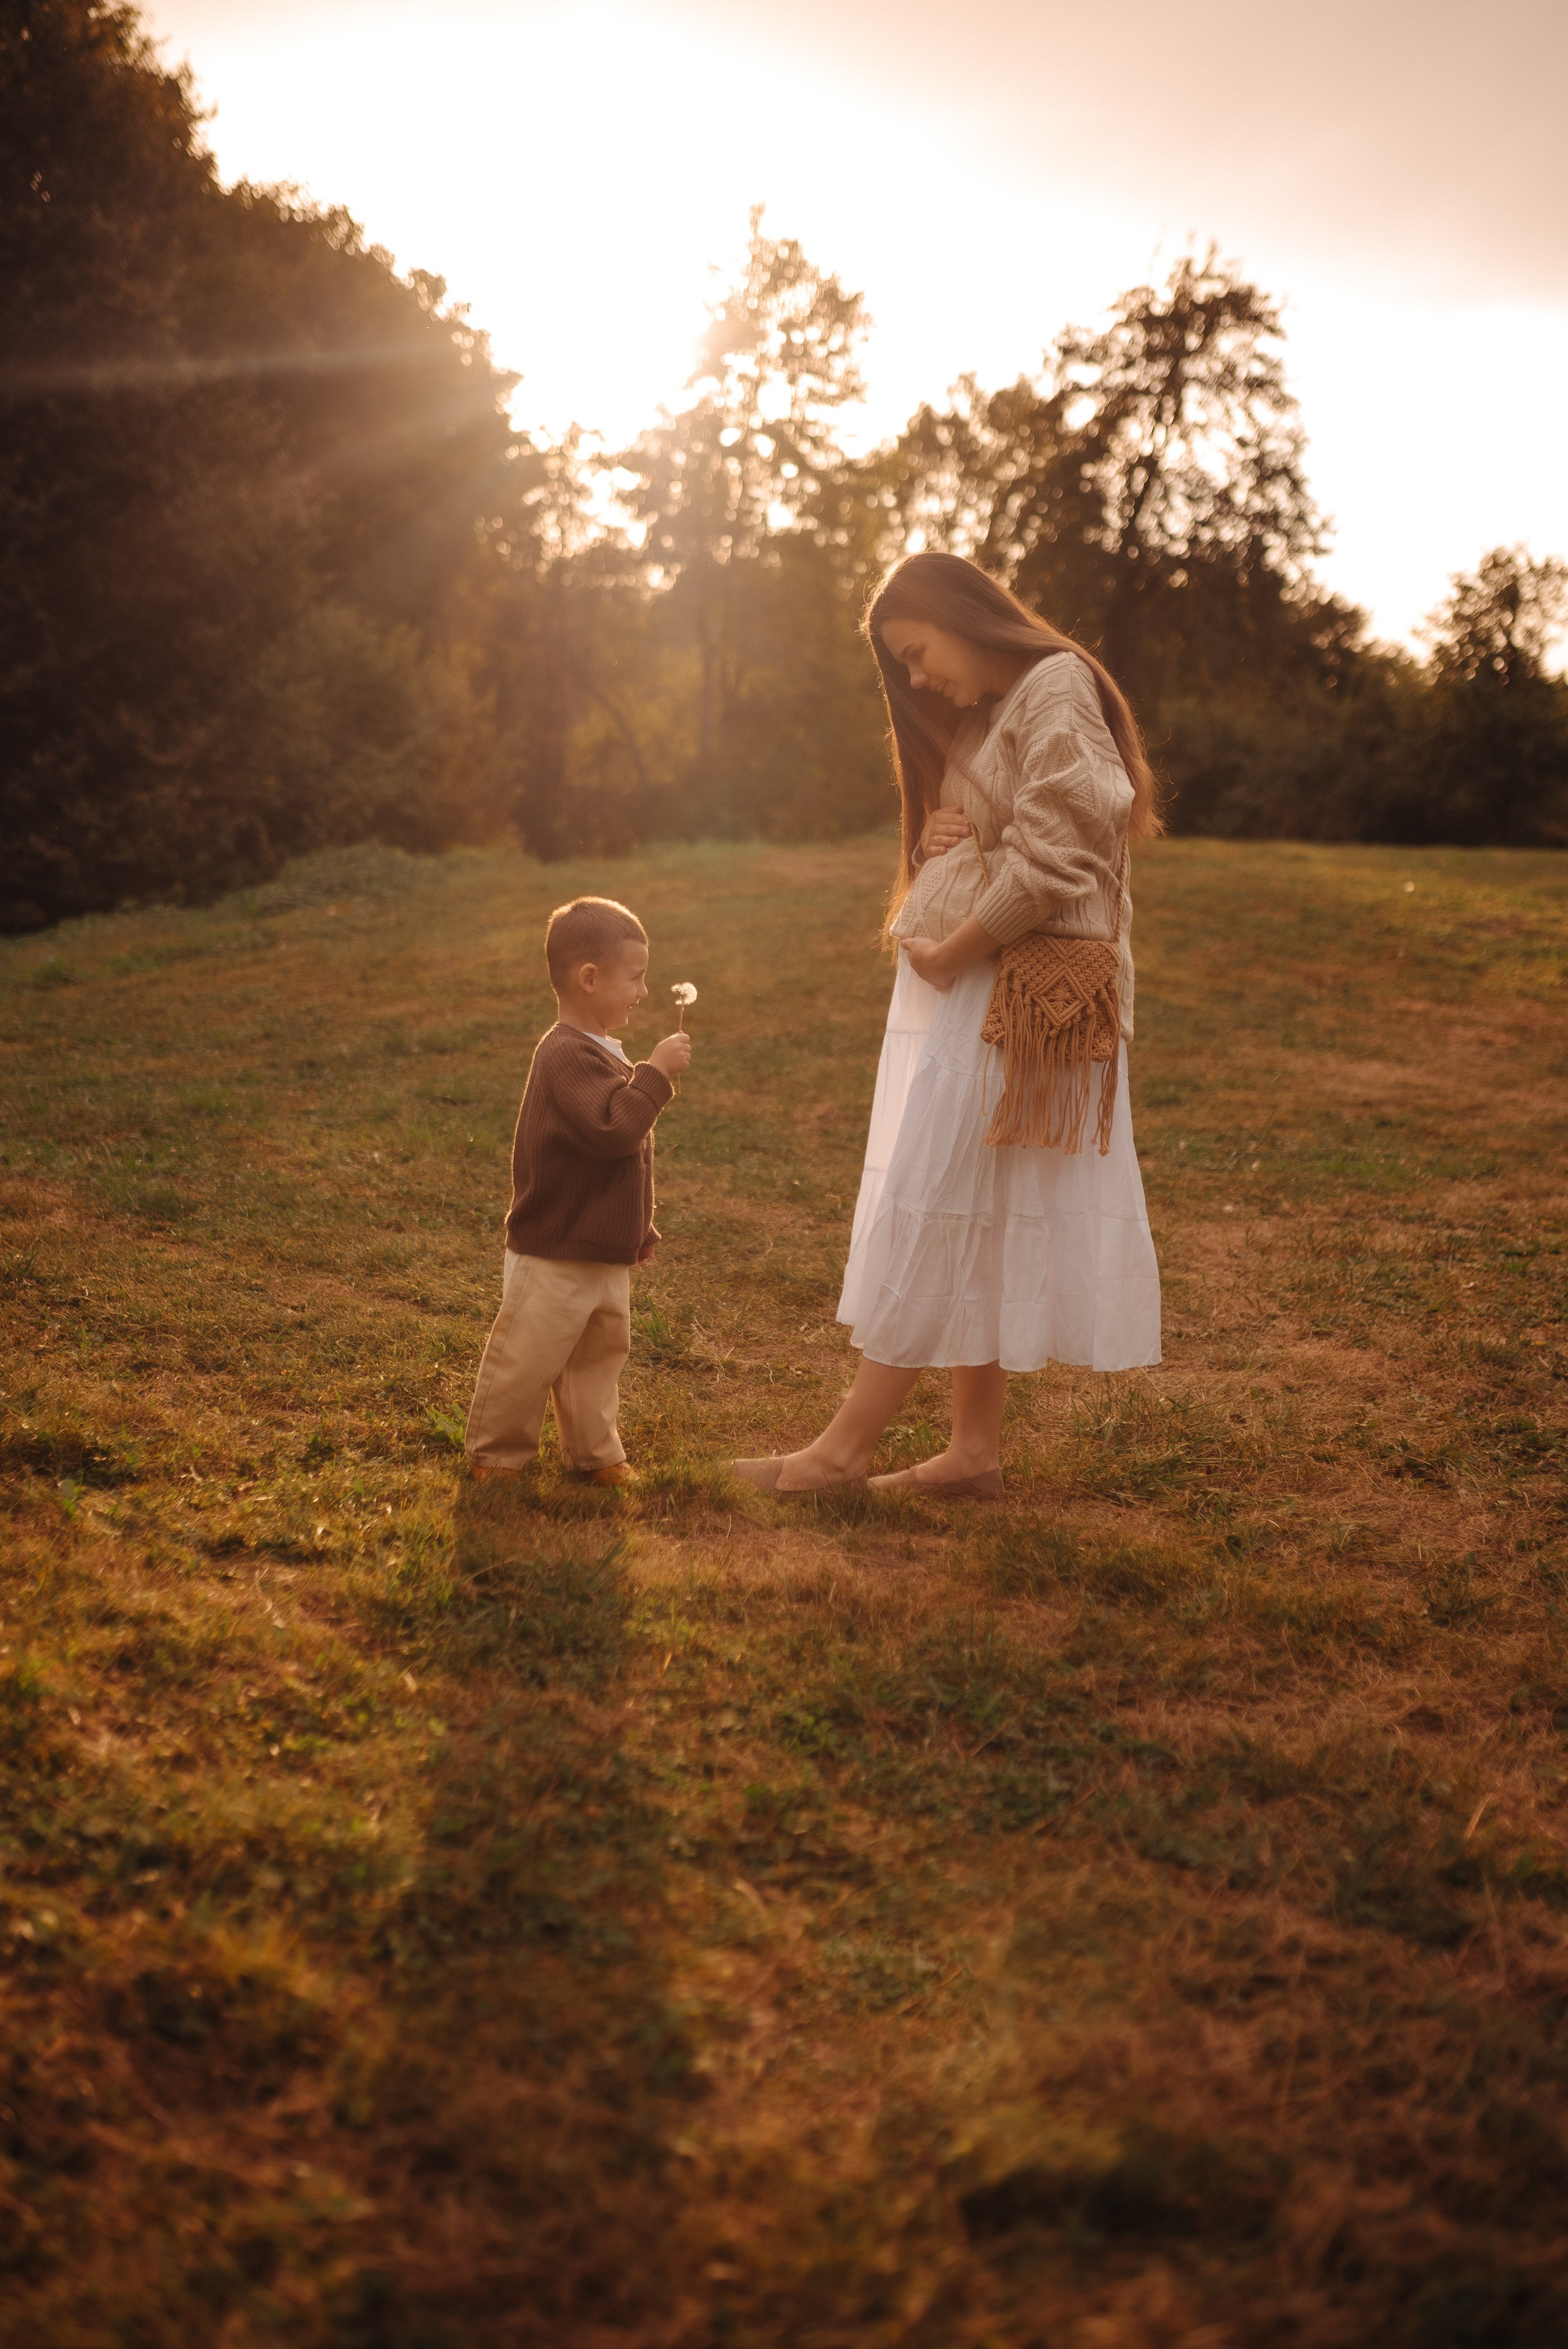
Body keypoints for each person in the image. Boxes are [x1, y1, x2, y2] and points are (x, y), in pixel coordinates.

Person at [734, 551, 1162, 1500]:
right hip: (997, 980)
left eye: (919, 652)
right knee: (980, 1203)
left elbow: (1065, 848)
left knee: (937, 1194)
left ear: (965, 617)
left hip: (1016, 986)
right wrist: (944, 832)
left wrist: (953, 946)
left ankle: (843, 1451)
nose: (919, 678)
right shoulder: (995, 711)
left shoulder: (1055, 685)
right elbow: (1007, 827)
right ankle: (973, 1453)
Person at [464, 895, 692, 1486]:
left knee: (598, 1360)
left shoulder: (604, 1052)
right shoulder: (565, 1054)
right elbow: (614, 1132)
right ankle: (496, 1454)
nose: (644, 991)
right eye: (636, 977)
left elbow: (624, 1165)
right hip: (555, 1250)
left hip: (602, 1249)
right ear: (589, 978)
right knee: (529, 1357)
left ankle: (595, 1453)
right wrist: (657, 1075)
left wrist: (639, 1229)